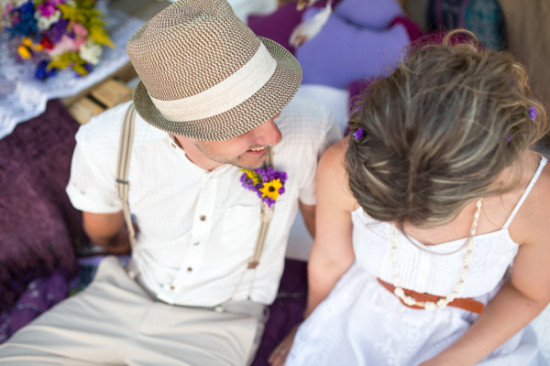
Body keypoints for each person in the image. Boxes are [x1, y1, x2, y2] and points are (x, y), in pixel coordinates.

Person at [0, 0, 340, 364]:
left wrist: (313, 323)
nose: (273, 136)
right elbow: (105, 235)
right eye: (244, 124)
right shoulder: (106, 141)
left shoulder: (310, 128)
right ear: (179, 127)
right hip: (115, 299)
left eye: (271, 107)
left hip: (221, 322)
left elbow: (326, 234)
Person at [270, 30, 550, 366]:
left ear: (490, 179)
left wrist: (448, 362)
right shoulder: (344, 166)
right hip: (361, 315)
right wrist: (311, 324)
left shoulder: (537, 197)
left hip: (475, 334)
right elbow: (330, 259)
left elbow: (528, 293)